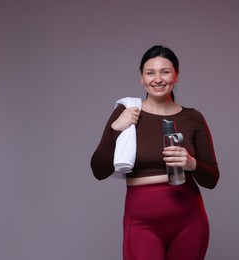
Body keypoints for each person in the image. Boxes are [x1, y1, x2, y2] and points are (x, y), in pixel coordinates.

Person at [91, 45, 219, 260]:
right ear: (141, 78)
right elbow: (98, 170)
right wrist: (115, 129)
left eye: (165, 72)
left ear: (176, 75)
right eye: (150, 73)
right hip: (142, 223)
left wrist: (192, 164)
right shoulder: (126, 113)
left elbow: (212, 179)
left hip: (189, 220)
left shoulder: (193, 118)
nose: (158, 79)